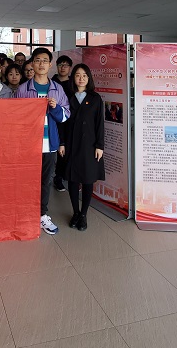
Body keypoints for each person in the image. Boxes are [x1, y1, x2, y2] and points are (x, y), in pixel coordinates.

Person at [15, 47, 70, 235]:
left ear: (50, 64)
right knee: (26, 180)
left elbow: (65, 116)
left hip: (49, 144)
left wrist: (55, 108)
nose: (41, 64)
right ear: (32, 63)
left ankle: (41, 215)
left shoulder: (57, 89)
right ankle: (25, 214)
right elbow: (16, 117)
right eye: (37, 60)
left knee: (45, 181)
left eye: (45, 61)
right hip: (29, 144)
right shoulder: (23, 89)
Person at [62, 64, 104, 231]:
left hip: (89, 145)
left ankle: (84, 214)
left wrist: (99, 146)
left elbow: (100, 124)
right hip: (71, 143)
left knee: (87, 180)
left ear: (89, 78)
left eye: (84, 75)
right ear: (73, 78)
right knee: (72, 180)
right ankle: (75, 212)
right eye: (78, 75)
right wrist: (62, 143)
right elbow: (62, 123)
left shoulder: (95, 98)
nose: (81, 78)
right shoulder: (67, 96)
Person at [51, 55, 74, 192]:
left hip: (71, 121)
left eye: (66, 65)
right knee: (59, 149)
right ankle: (58, 177)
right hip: (56, 120)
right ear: (56, 66)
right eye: (60, 65)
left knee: (70, 149)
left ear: (70, 68)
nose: (63, 67)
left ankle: (68, 176)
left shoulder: (73, 84)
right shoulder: (52, 83)